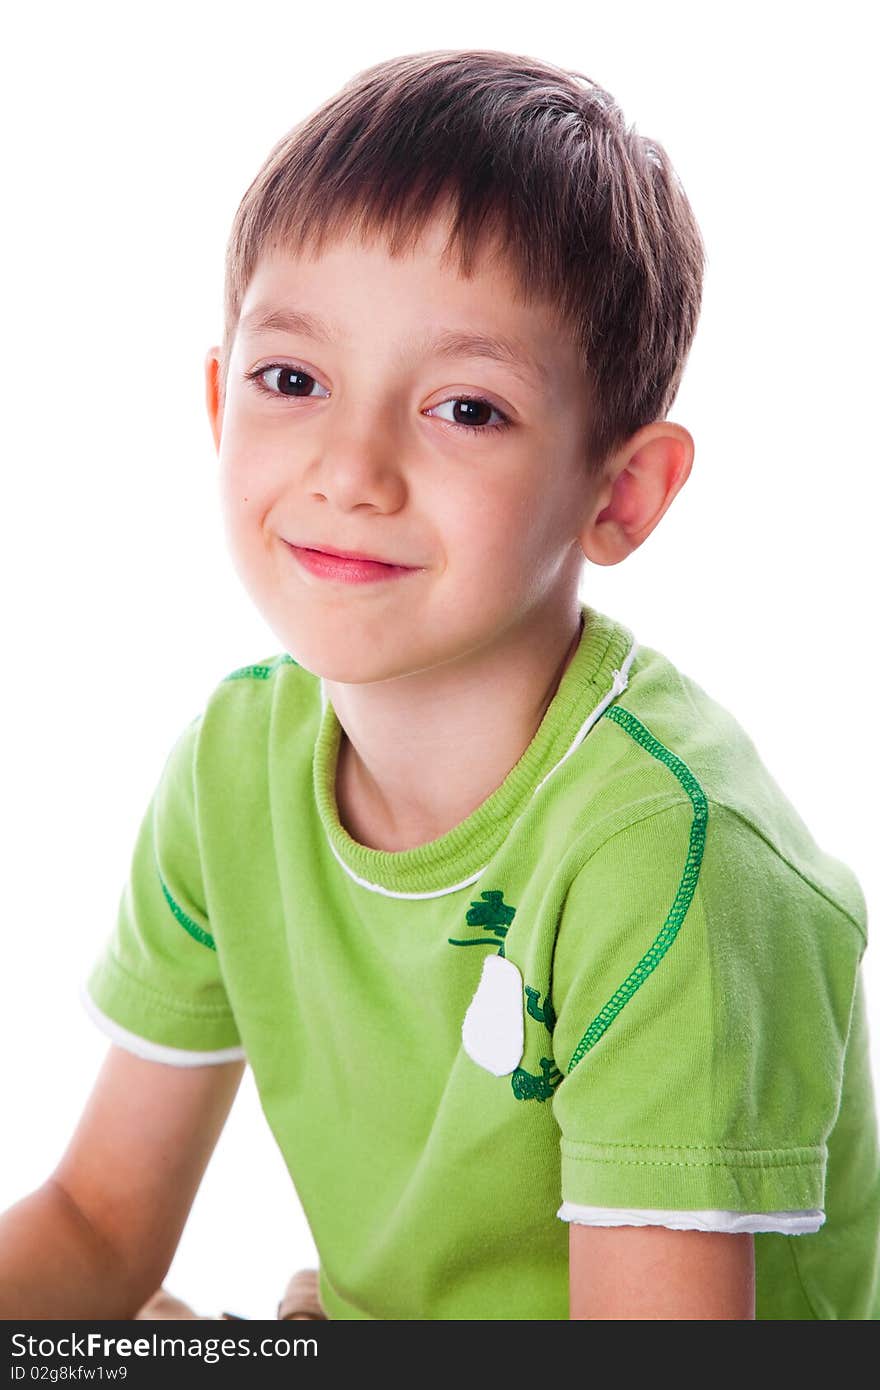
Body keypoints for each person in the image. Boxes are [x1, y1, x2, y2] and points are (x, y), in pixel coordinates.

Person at [0, 47, 877, 1322]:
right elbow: (97, 1222)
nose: (350, 468)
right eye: (292, 381)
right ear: (217, 403)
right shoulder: (236, 760)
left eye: (466, 408)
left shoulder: (668, 861)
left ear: (620, 492)